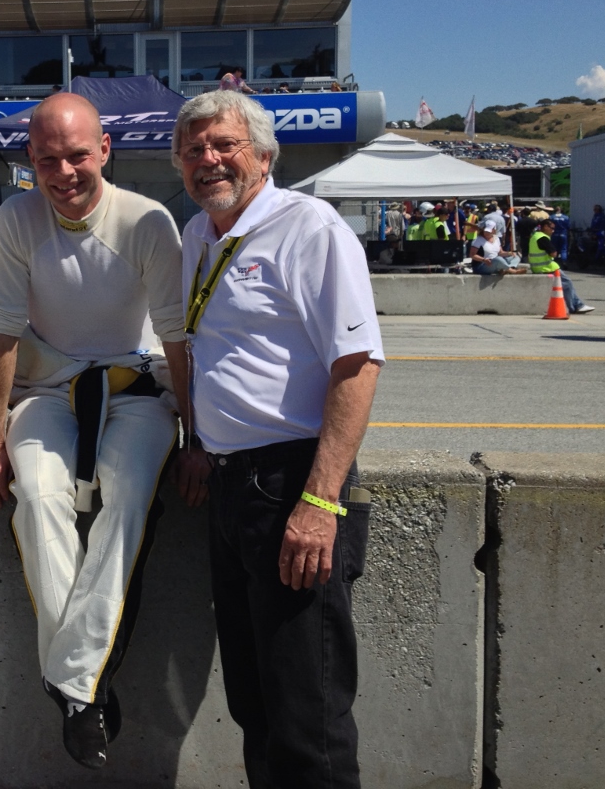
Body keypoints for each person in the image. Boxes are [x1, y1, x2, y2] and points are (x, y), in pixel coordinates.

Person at [0, 92, 187, 769]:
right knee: (36, 495)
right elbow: (0, 335)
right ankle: (84, 686)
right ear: (29, 160)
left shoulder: (148, 221)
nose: (63, 174)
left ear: (104, 151)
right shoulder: (15, 218)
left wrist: (200, 439)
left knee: (125, 500)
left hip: (137, 387)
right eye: (46, 161)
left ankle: (71, 682)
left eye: (76, 156)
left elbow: (178, 341)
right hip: (47, 387)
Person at [171, 89, 381, 788]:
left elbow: (356, 365)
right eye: (194, 148)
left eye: (224, 144)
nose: (208, 159)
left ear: (263, 154)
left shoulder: (309, 228)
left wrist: (320, 504)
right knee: (254, 705)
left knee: (306, 717)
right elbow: (211, 351)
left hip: (293, 485)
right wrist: (197, 441)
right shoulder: (199, 236)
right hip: (231, 488)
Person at [528, 214, 594, 313]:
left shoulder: (535, 236)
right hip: (547, 268)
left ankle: (577, 305)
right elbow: (553, 253)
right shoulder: (543, 238)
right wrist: (553, 254)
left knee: (565, 284)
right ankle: (576, 306)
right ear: (545, 227)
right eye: (552, 228)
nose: (553, 231)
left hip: (537, 268)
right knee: (567, 283)